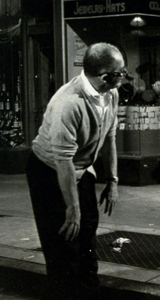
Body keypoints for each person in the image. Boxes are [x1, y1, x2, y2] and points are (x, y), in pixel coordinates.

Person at [26, 42, 123, 299]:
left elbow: (110, 138)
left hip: (81, 168)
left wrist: (112, 181)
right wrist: (73, 207)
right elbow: (62, 160)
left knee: (86, 238)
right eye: (120, 73)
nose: (124, 78)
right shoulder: (68, 103)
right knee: (64, 241)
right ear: (104, 76)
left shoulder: (111, 94)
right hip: (49, 171)